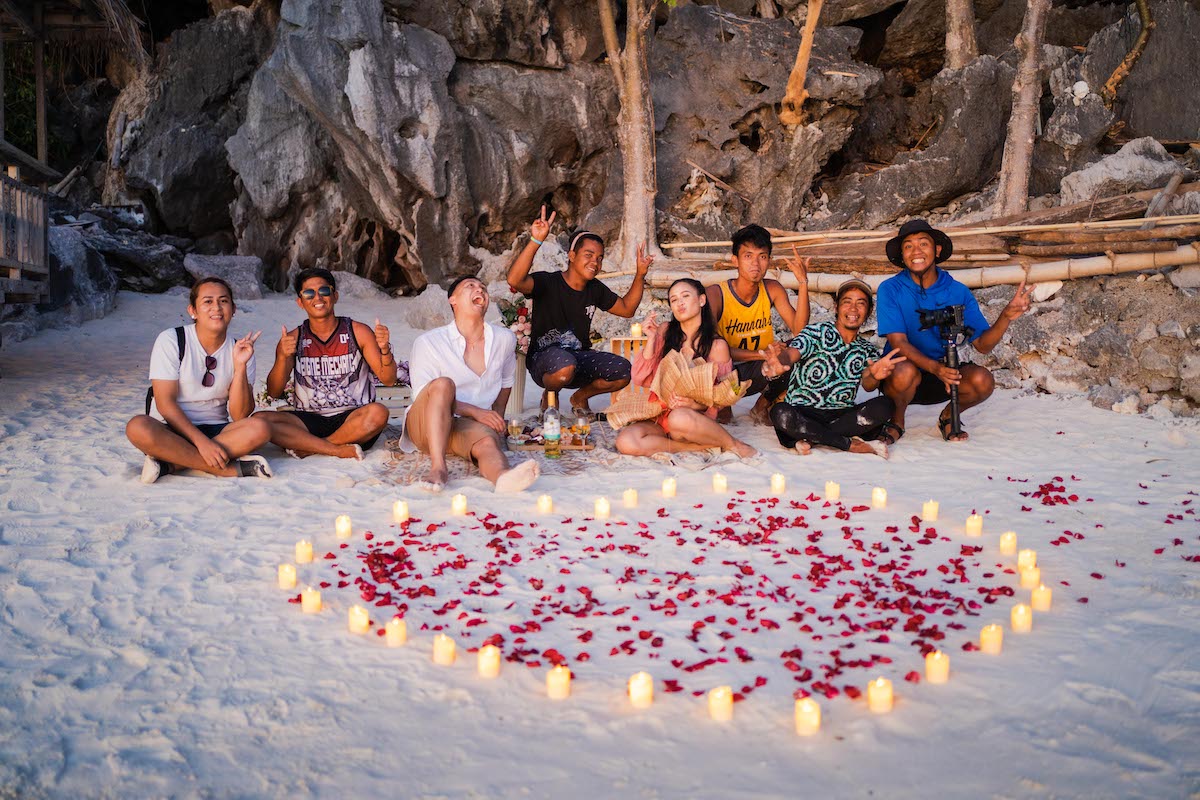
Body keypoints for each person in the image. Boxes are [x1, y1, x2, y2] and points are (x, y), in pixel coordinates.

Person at [875, 219, 1034, 442]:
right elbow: (898, 342)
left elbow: (983, 345)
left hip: (942, 374)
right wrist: (936, 369)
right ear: (902, 255)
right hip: (902, 376)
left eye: (923, 244)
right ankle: (897, 420)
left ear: (937, 250)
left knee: (982, 380)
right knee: (904, 371)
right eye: (908, 246)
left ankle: (949, 415)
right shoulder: (890, 289)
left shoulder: (957, 291)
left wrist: (1006, 316)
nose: (916, 251)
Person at [506, 205, 653, 416]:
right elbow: (515, 280)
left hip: (578, 358)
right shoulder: (548, 282)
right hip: (544, 359)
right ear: (572, 255)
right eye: (589, 254)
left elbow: (627, 309)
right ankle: (550, 393)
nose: (595, 262)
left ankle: (580, 398)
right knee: (565, 366)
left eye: (600, 257)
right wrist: (536, 240)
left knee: (623, 371)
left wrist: (640, 274)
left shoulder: (595, 290)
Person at [400, 276, 540, 493]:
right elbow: (422, 395)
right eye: (470, 286)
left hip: (465, 425)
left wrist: (497, 419)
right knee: (444, 385)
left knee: (488, 444)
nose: (480, 290)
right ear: (453, 300)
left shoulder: (504, 339)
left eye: (483, 288)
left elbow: (506, 382)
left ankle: (502, 478)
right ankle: (438, 468)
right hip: (426, 424)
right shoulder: (428, 342)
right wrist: (477, 412)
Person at [126, 277, 273, 483]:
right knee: (137, 426)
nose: (217, 308)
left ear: (233, 309)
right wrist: (202, 443)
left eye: (223, 301)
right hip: (171, 429)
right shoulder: (172, 340)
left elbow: (240, 415)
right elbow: (165, 404)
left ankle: (171, 464)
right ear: (192, 311)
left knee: (261, 428)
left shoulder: (240, 348)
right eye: (207, 301)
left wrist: (240, 367)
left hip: (218, 431)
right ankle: (224, 469)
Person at [260, 268, 395, 458]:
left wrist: (384, 349)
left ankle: (314, 447)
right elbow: (274, 391)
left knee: (378, 413)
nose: (318, 298)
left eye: (324, 291)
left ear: (335, 296)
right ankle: (336, 449)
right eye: (309, 293)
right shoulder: (293, 339)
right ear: (300, 302)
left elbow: (388, 379)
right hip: (309, 420)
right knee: (260, 419)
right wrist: (283, 356)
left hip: (353, 418)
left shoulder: (358, 332)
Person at [615, 278, 757, 459]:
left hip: (693, 420)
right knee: (626, 441)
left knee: (678, 418)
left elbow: (725, 396)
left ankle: (733, 444)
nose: (679, 302)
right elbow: (640, 378)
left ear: (702, 300)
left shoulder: (716, 346)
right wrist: (651, 339)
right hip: (661, 414)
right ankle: (693, 448)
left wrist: (693, 404)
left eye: (685, 296)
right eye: (673, 300)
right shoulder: (666, 331)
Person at [762, 279, 903, 457]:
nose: (853, 309)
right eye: (847, 302)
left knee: (885, 405)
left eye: (861, 303)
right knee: (780, 412)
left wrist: (875, 375)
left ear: (868, 312)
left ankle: (812, 436)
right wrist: (781, 359)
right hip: (803, 410)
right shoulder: (815, 332)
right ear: (836, 307)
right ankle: (846, 443)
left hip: (840, 414)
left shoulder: (866, 349)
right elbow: (792, 354)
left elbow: (868, 385)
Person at [704, 223, 811, 425]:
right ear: (735, 260)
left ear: (769, 260)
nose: (756, 264)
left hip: (761, 369)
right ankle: (723, 406)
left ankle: (761, 406)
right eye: (748, 256)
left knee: (802, 350)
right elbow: (712, 347)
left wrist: (803, 283)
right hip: (726, 373)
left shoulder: (772, 288)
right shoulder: (716, 294)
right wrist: (764, 353)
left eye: (762, 256)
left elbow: (800, 330)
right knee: (713, 356)